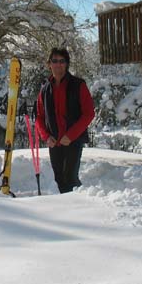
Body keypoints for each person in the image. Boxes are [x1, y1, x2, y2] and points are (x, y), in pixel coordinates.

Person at [35, 48, 95, 194]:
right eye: (54, 61)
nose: (58, 64)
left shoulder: (78, 85)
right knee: (59, 178)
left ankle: (81, 206)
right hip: (54, 141)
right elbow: (39, 117)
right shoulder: (45, 88)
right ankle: (67, 209)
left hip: (73, 140)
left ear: (67, 64)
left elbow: (89, 113)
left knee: (70, 177)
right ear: (49, 64)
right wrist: (46, 137)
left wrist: (71, 135)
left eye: (62, 61)